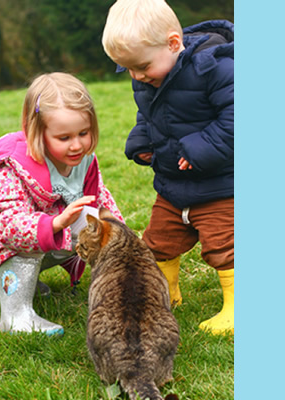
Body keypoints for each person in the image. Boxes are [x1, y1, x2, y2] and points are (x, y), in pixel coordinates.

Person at [101, 0, 234, 335]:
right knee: (157, 242)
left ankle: (236, 306)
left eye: (142, 67)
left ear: (174, 44)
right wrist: (141, 141)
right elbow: (149, 115)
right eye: (127, 69)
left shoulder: (218, 69)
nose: (137, 76)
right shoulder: (148, 76)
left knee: (223, 246)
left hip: (220, 186)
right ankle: (165, 293)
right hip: (173, 185)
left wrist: (200, 148)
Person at [0, 72, 123, 335]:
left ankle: (119, 291)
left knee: (96, 224)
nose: (77, 145)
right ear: (36, 130)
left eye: (84, 133)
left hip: (52, 225)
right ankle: (15, 315)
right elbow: (10, 228)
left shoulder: (83, 162)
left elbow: (99, 202)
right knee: (29, 238)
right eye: (64, 138)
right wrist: (56, 222)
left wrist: (122, 241)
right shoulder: (12, 170)